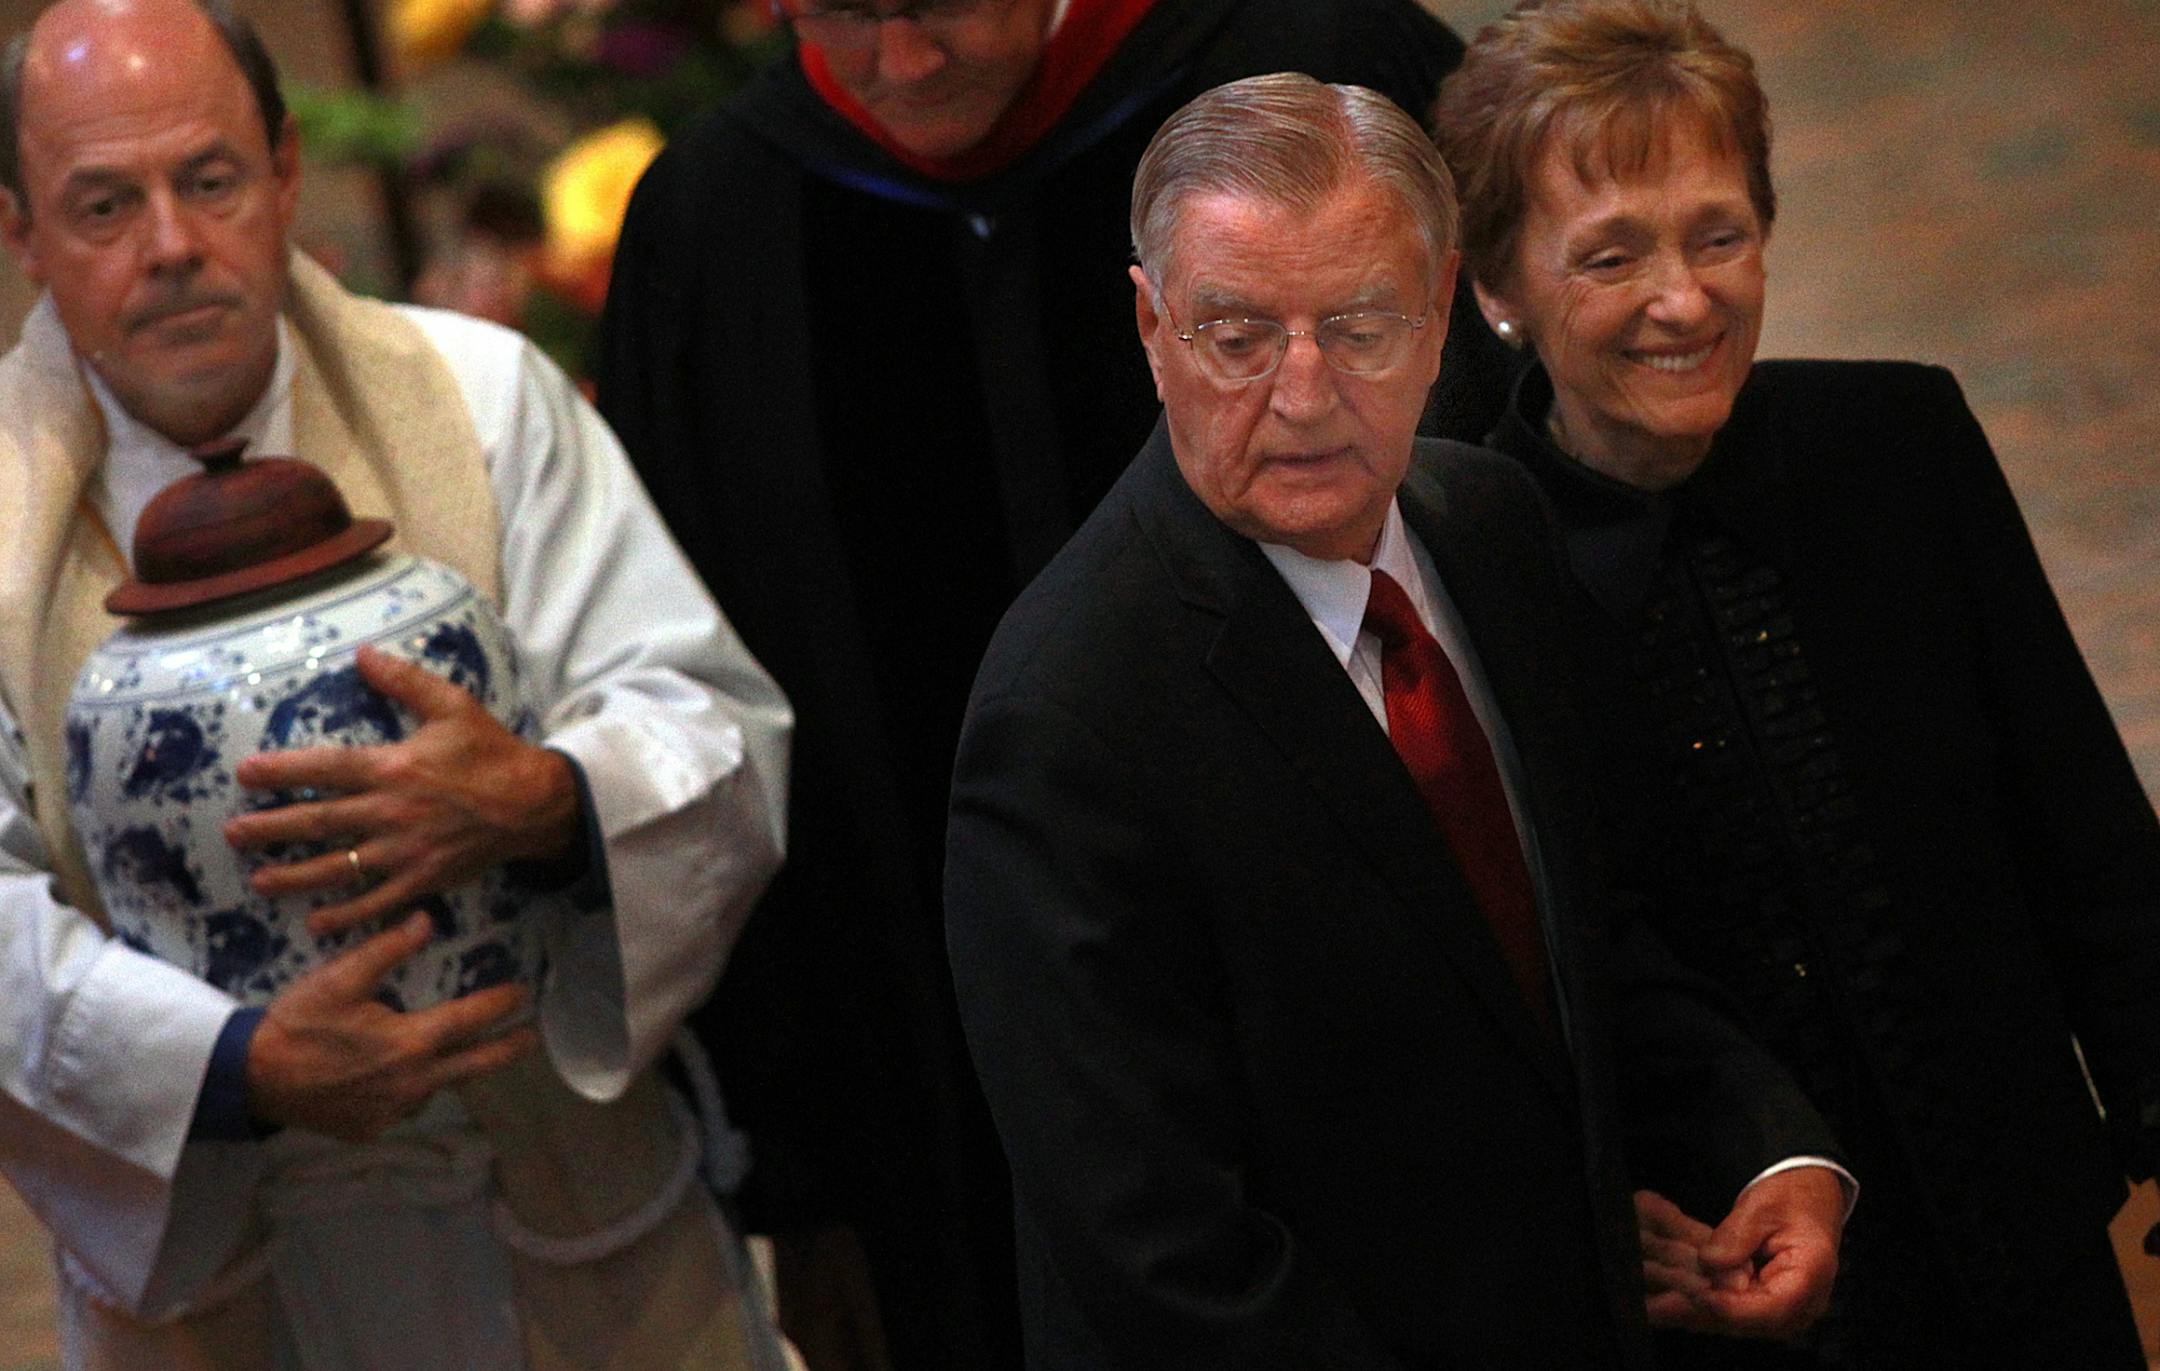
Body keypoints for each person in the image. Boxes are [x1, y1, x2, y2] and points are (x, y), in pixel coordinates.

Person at [592, 1, 1516, 1364]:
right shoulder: (714, 230)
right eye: (846, 12)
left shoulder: (1320, 80)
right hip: (942, 1138)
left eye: (942, 3)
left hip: (1407, 1110)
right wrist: (809, 1182)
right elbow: (709, 726)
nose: (904, 64)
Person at [943, 71, 1854, 1369]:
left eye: (1362, 326)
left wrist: (1769, 1143)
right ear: (1152, 328)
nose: (1305, 395)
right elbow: (1161, 1252)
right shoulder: (1067, 719)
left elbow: (1583, 943)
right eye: (1238, 336)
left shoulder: (1486, 528)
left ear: (1441, 319)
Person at [0, 2, 794, 1367]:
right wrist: (233, 1064)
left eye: (209, 180)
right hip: (219, 1257)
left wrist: (547, 799)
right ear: (20, 234)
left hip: (568, 1223)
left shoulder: (484, 405)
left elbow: (700, 719)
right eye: (103, 206)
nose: (174, 247)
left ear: (287, 170)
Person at [1429, 2, 2160, 1366]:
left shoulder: (1901, 444)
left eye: (1720, 234)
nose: (1685, 299)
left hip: (2022, 1237)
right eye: (1612, 254)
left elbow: (2090, 843)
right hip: (1736, 1299)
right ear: (1495, 287)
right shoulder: (1469, 566)